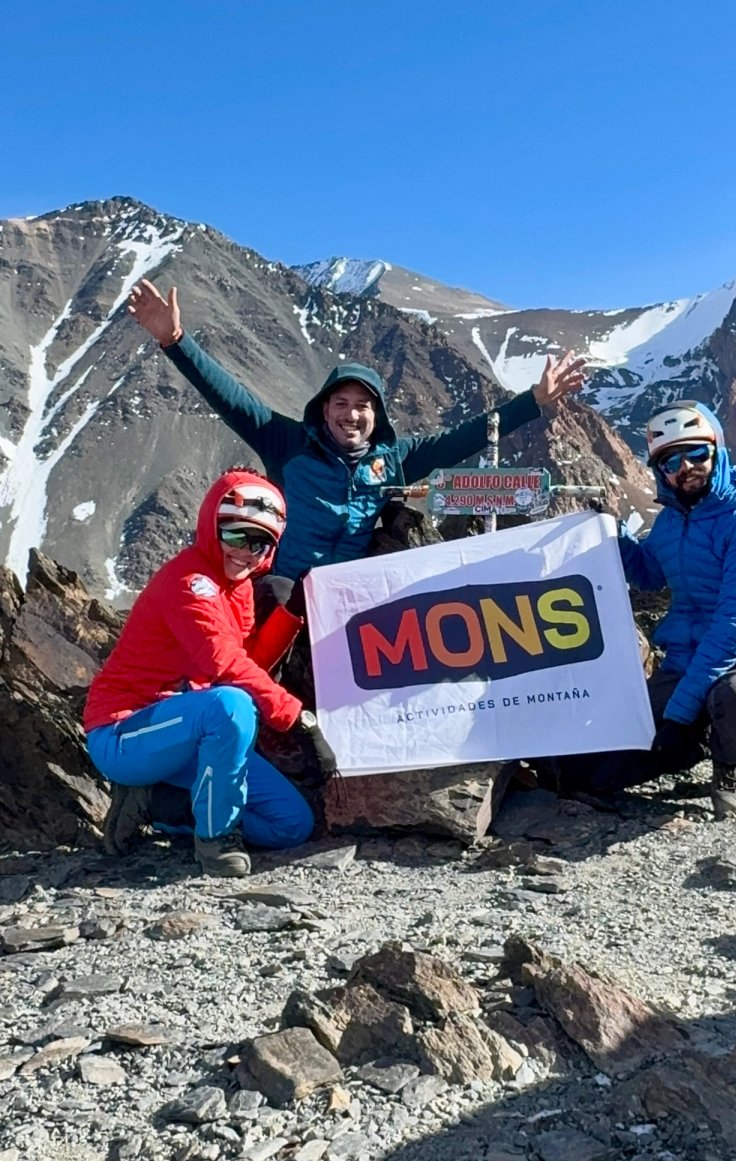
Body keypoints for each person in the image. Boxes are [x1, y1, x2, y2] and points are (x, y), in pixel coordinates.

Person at [127, 277, 587, 582]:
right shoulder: (286, 442)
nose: (351, 415)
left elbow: (463, 438)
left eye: (363, 406)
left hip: (349, 599)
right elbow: (230, 398)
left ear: (377, 415)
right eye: (341, 404)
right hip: (283, 589)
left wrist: (535, 402)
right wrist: (175, 342)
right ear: (323, 409)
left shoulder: (394, 458)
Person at [83, 468, 328, 877]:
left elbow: (246, 658)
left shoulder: (240, 588)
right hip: (122, 733)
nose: (245, 551)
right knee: (231, 706)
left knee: (291, 825)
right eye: (235, 535)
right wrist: (297, 718)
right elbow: (223, 665)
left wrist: (291, 613)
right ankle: (216, 842)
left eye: (260, 543)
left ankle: (158, 803)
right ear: (211, 526)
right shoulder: (189, 583)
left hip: (188, 732)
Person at [564, 399, 736, 820]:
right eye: (671, 460)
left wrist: (681, 712)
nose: (685, 467)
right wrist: (611, 533)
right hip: (683, 665)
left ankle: (734, 764)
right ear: (660, 470)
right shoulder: (673, 521)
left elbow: (734, 628)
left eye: (696, 453)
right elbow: (651, 574)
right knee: (585, 770)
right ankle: (692, 745)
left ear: (717, 450)